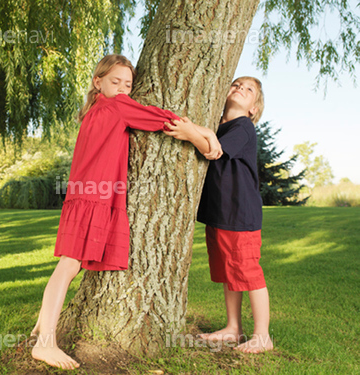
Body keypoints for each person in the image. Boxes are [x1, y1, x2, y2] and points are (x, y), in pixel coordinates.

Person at [31, 54, 219, 370]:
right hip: (94, 196)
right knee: (68, 265)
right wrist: (202, 136)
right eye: (115, 82)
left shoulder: (95, 110)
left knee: (70, 264)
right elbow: (159, 118)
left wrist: (201, 132)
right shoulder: (116, 106)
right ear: (98, 82)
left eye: (128, 85)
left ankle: (41, 324)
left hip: (86, 194)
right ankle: (45, 342)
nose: (122, 89)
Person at [164, 76, 274, 353]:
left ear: (254, 109)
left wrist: (190, 133)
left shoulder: (243, 126)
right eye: (236, 84)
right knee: (230, 273)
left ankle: (263, 335)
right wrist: (199, 131)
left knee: (248, 272)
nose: (240, 89)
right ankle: (233, 327)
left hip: (240, 213)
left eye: (249, 90)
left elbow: (214, 151)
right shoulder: (218, 125)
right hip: (220, 213)